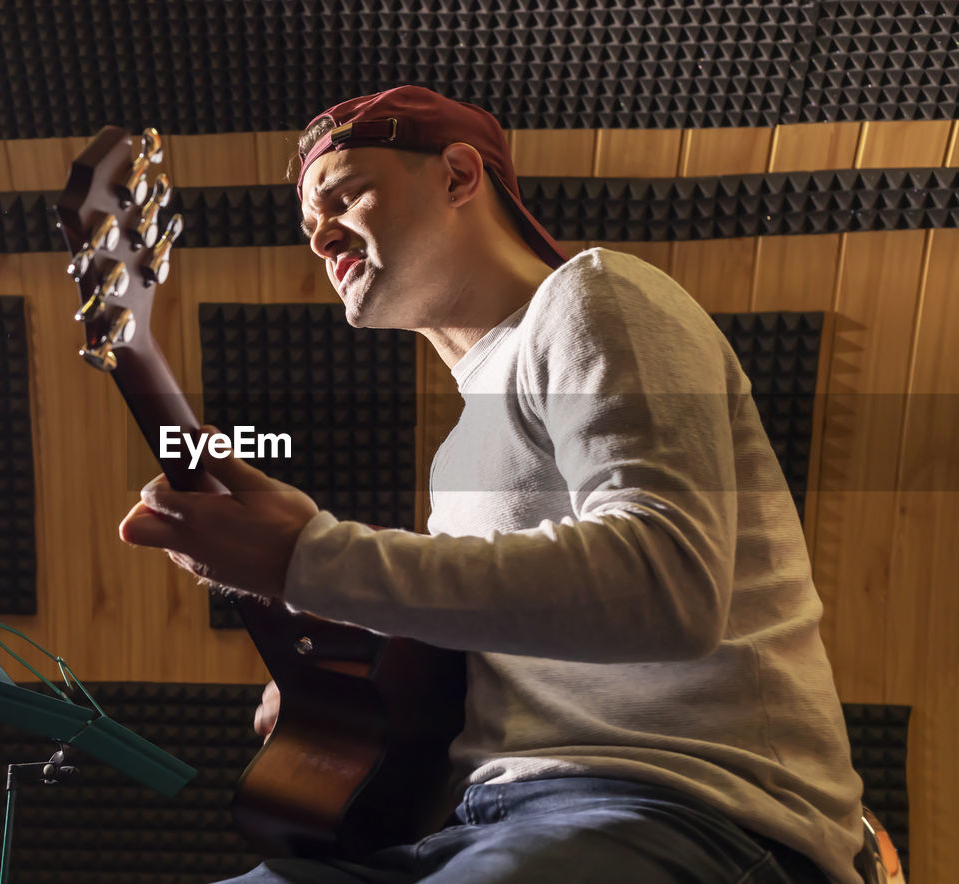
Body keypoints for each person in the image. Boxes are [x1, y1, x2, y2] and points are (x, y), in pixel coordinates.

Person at [119, 86, 865, 883]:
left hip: (691, 811)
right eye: (309, 222)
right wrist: (338, 684)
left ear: (460, 175)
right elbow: (484, 644)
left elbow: (667, 587)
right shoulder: (459, 454)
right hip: (481, 824)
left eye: (342, 196)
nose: (320, 234)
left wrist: (310, 560)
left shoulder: (594, 294)